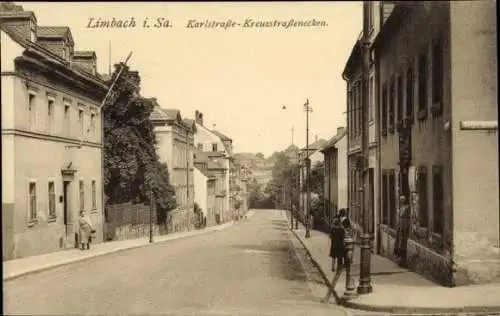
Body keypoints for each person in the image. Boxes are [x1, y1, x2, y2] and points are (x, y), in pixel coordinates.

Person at [394, 195, 411, 267]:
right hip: (400, 225)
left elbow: (407, 217)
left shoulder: (406, 207)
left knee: (403, 241)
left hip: (404, 225)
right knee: (399, 241)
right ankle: (400, 258)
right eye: (400, 200)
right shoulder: (400, 208)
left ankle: (403, 260)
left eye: (402, 200)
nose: (401, 201)